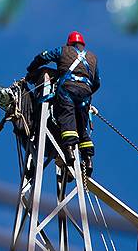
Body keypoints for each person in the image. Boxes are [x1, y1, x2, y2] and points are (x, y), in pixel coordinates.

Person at [26, 30, 101, 176]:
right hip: (86, 93)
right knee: (82, 127)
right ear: (82, 44)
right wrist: (85, 90)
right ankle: (88, 158)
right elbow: (96, 82)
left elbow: (43, 57)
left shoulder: (63, 50)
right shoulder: (93, 57)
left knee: (67, 118)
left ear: (70, 43)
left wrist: (31, 69)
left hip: (68, 89)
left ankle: (69, 152)